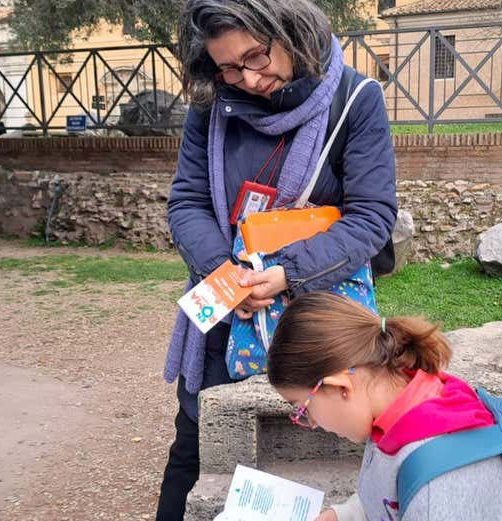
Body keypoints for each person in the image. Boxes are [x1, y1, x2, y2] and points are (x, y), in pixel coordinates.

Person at [158, 0, 397, 519]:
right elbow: (188, 203)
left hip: (316, 316)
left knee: (310, 445)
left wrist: (288, 272)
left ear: (291, 31)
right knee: (197, 442)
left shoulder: (355, 100)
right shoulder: (211, 104)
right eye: (227, 67)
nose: (247, 78)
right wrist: (224, 272)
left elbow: (372, 215)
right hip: (228, 304)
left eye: (255, 57)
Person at [267, 292, 502, 521]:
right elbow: (389, 495)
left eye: (303, 409)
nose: (312, 424)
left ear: (341, 387)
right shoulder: (393, 405)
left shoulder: (443, 485)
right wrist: (343, 515)